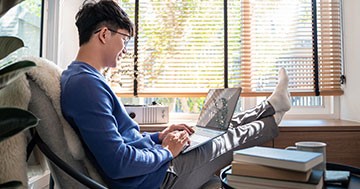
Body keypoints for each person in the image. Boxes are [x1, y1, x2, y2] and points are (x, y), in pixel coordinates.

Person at [60, 0, 291, 188]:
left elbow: (125, 141)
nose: (125, 49)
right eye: (124, 39)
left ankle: (270, 107)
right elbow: (119, 163)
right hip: (158, 179)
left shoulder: (84, 78)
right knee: (227, 137)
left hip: (154, 167)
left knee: (212, 128)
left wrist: (160, 137)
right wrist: (167, 151)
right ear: (103, 35)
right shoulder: (85, 86)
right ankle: (273, 117)